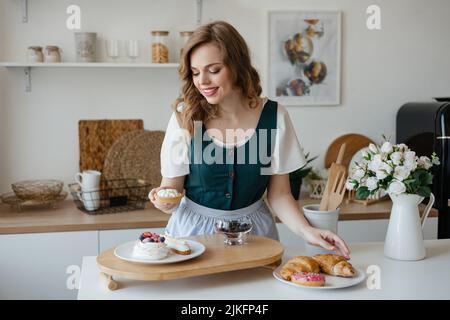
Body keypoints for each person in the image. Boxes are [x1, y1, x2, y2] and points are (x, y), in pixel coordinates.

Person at [149, 21, 350, 259]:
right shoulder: (185, 117)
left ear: (236, 66)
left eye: (213, 70)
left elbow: (280, 195)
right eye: (195, 72)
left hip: (255, 236)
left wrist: (307, 230)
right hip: (193, 237)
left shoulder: (275, 116)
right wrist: (165, 201)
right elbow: (171, 189)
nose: (202, 81)